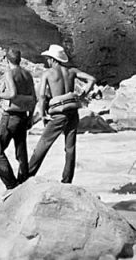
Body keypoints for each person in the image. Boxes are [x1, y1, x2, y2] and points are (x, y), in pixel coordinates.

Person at [27, 44, 95, 184]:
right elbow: (92, 80)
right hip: (72, 113)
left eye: (48, 58)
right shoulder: (72, 71)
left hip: (58, 114)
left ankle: (26, 176)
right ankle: (67, 180)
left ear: (52, 59)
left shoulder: (48, 73)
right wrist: (82, 96)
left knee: (44, 144)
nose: (47, 61)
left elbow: (41, 96)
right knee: (70, 148)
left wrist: (43, 114)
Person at [0, 48, 36, 190]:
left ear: (7, 59)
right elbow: (34, 98)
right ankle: (23, 182)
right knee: (21, 152)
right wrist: (30, 117)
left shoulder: (9, 73)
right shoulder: (28, 74)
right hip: (23, 117)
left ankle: (11, 184)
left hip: (10, 117)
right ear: (20, 59)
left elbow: (12, 93)